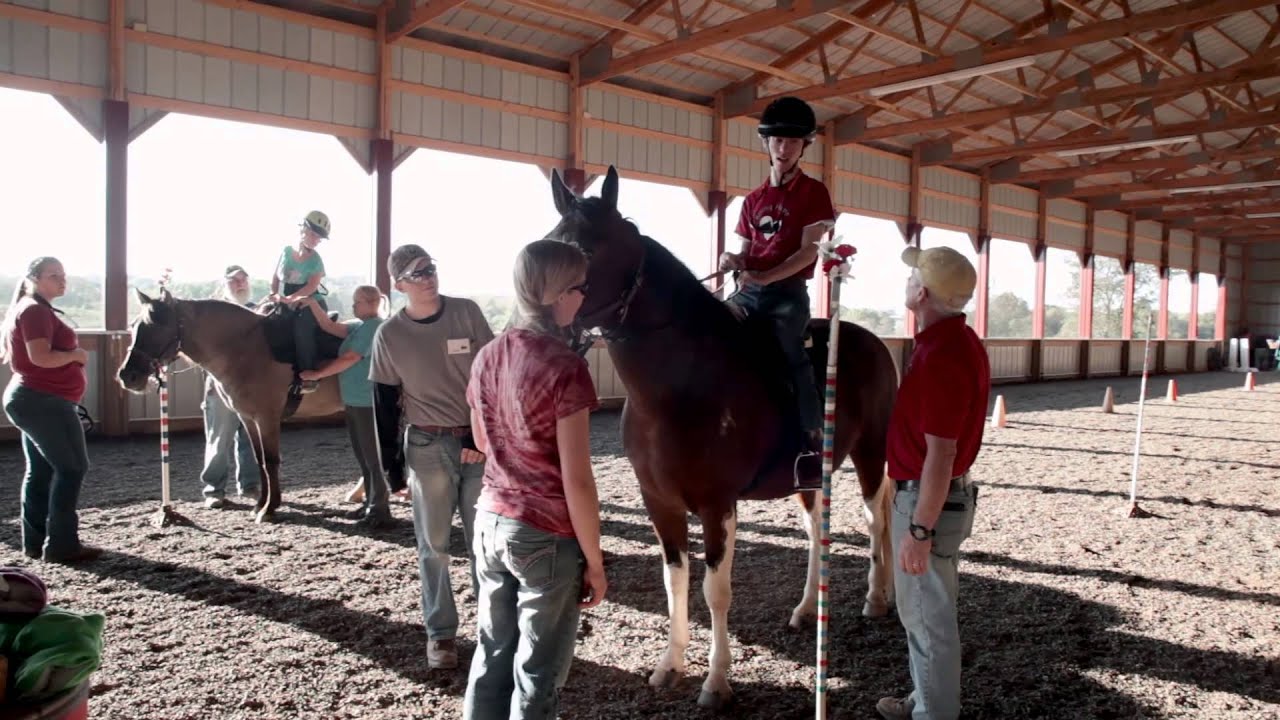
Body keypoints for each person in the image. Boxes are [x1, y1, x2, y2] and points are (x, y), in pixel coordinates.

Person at [462, 239, 607, 720]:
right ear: (557, 293)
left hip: (489, 519)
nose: (583, 298)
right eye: (579, 289)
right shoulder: (567, 368)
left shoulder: (487, 355)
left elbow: (483, 441)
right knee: (538, 671)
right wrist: (595, 559)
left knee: (491, 653)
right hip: (545, 531)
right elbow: (578, 479)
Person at [369, 244, 495, 670]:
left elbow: (491, 377)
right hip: (426, 446)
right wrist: (392, 471)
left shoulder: (467, 313)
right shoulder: (389, 335)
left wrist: (486, 439)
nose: (428, 276)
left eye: (431, 268)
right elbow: (384, 404)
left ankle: (494, 630)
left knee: (486, 543)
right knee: (433, 546)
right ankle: (440, 635)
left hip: (476, 446)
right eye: (417, 272)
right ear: (399, 284)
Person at [877, 245, 989, 720]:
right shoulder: (952, 342)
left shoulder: (941, 357)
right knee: (926, 611)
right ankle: (926, 698)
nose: (906, 285)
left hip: (925, 502)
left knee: (928, 620)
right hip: (936, 499)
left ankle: (934, 713)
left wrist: (919, 531)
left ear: (922, 293)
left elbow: (940, 455)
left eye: (911, 279)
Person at [718, 95, 836, 490]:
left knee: (790, 351)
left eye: (791, 142)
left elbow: (808, 250)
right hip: (749, 292)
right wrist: (731, 258)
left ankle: (810, 438)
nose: (783, 148)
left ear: (803, 146)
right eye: (777, 141)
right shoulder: (752, 200)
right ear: (766, 144)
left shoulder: (814, 193)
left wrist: (767, 279)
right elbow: (747, 252)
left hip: (787, 294)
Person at [0, 257, 101, 564]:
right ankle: (61, 544)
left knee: (42, 470)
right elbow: (41, 357)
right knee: (72, 468)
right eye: (53, 275)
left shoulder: (31, 309)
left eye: (63, 274)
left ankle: (36, 541)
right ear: (34, 278)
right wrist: (77, 355)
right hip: (45, 401)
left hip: (34, 399)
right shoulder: (34, 311)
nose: (62, 279)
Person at [298, 285, 392, 527]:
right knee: (363, 456)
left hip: (368, 400)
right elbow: (329, 327)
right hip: (354, 399)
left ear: (371, 303)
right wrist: (313, 304)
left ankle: (380, 509)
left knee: (372, 456)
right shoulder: (358, 326)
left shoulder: (373, 328)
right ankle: (370, 503)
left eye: (358, 302)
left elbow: (350, 358)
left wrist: (317, 374)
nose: (353, 306)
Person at [199, 264, 259, 509]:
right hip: (222, 386)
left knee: (251, 438)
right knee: (219, 439)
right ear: (225, 283)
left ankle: (250, 485)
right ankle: (214, 489)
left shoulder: (257, 312)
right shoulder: (214, 315)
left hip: (252, 386)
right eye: (234, 280)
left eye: (243, 279)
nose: (240, 284)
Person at [271, 210, 331, 393]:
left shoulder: (316, 261)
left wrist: (290, 299)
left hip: (310, 302)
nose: (315, 240)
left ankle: (308, 373)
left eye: (318, 237)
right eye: (313, 234)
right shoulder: (286, 251)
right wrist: (273, 293)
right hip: (286, 298)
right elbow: (275, 276)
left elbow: (311, 287)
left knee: (301, 328)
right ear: (302, 230)